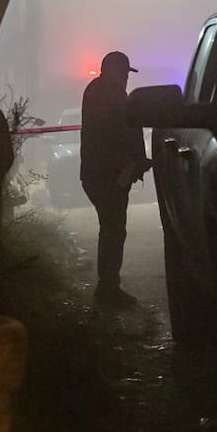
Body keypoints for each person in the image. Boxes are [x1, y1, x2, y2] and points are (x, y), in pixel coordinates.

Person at [80, 51, 152, 307]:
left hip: (98, 174)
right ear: (116, 71)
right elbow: (123, 133)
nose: (126, 78)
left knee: (111, 227)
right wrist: (135, 162)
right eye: (124, 72)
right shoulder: (113, 94)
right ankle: (108, 287)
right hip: (109, 176)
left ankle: (109, 285)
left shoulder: (95, 91)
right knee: (113, 229)